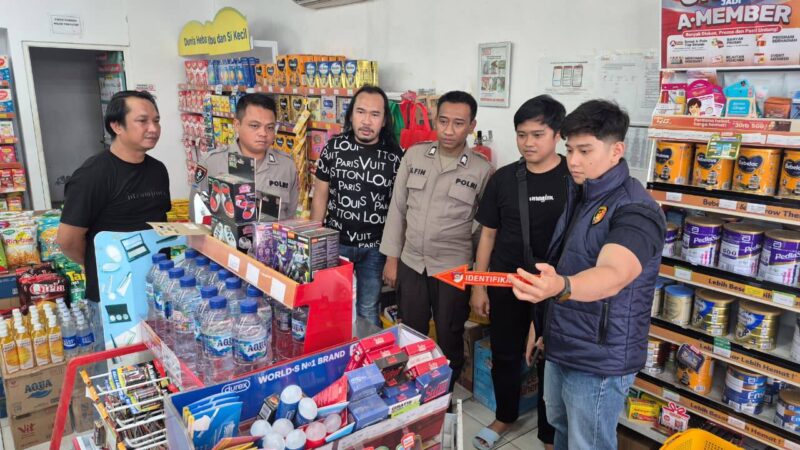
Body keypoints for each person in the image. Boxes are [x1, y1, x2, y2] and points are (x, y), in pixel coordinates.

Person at [508, 100, 666, 450]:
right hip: (562, 343)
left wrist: (560, 287)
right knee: (561, 430)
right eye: (569, 150)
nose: (573, 161)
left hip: (598, 358)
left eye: (584, 150)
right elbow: (563, 265)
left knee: (587, 443)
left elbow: (614, 273)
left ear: (616, 151)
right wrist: (541, 324)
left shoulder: (636, 209)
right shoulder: (582, 193)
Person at [471, 95, 567, 450]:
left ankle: (548, 434)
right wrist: (479, 286)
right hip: (506, 282)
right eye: (521, 134)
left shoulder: (574, 178)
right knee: (505, 354)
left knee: (549, 361)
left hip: (554, 288)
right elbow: (488, 235)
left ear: (557, 134)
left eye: (537, 134)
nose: (528, 142)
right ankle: (505, 415)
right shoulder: (504, 178)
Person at [381, 91, 492, 390]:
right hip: (411, 262)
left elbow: (485, 230)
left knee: (450, 334)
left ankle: (444, 394)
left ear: (471, 126)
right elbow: (397, 209)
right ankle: (411, 391)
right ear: (434, 120)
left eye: (458, 123)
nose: (449, 130)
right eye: (443, 121)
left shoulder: (481, 169)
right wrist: (391, 258)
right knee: (411, 332)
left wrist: (478, 281)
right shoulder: (414, 156)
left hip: (453, 268)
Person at [57, 90, 171, 349]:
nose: (153, 128)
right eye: (142, 121)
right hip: (113, 293)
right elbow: (67, 240)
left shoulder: (158, 170)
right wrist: (99, 263)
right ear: (116, 126)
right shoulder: (93, 174)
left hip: (155, 287)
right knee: (116, 362)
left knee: (153, 359)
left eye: (156, 120)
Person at [311, 86, 403, 327]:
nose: (367, 121)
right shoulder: (334, 148)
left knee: (368, 309)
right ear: (351, 115)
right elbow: (320, 197)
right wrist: (314, 241)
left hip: (375, 248)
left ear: (384, 120)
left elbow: (398, 210)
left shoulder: (395, 156)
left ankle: (367, 350)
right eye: (361, 112)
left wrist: (393, 256)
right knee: (330, 305)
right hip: (335, 242)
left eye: (375, 114)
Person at [194, 93, 298, 220]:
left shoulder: (287, 166)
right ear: (237, 125)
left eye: (270, 127)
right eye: (254, 126)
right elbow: (198, 214)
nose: (263, 133)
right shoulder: (211, 163)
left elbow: (290, 217)